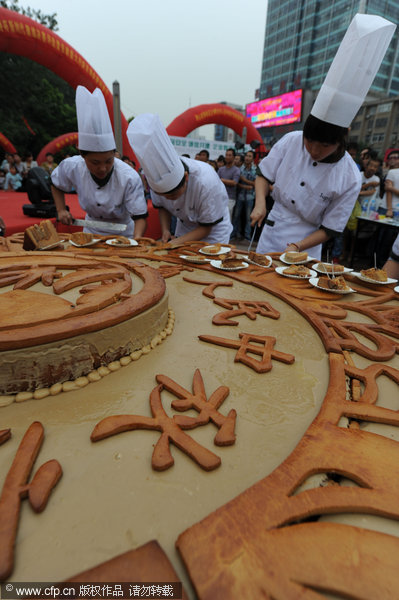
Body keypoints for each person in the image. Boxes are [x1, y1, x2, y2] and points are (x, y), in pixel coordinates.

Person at [250, 14, 394, 261]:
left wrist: (297, 246)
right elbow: (264, 175)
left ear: (342, 139)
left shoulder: (349, 175)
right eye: (310, 141)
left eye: (324, 145)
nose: (314, 150)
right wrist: (260, 203)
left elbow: (330, 228)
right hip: (272, 229)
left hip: (307, 243)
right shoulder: (291, 140)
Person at [51, 86, 148, 238]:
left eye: (109, 161)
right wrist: (61, 209)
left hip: (123, 234)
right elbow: (56, 184)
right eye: (95, 163)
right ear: (83, 156)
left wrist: (136, 240)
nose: (103, 168)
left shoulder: (129, 176)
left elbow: (140, 217)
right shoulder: (72, 166)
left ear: (115, 154)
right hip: (91, 232)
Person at [127, 113, 232, 246]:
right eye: (164, 195)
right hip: (185, 227)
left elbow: (206, 228)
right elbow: (162, 207)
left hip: (212, 232)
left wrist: (173, 244)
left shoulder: (206, 182)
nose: (170, 199)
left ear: (186, 177)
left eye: (173, 195)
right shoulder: (156, 179)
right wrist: (165, 230)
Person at [232, 150, 257, 240]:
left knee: (248, 218)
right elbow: (236, 182)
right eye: (246, 156)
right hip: (240, 195)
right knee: (236, 216)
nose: (247, 158)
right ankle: (234, 234)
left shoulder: (255, 170)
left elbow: (256, 184)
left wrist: (244, 181)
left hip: (250, 196)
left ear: (253, 158)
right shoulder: (239, 169)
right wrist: (246, 185)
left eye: (250, 156)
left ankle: (247, 237)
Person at [218, 148, 241, 219]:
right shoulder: (221, 169)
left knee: (227, 218)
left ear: (233, 157)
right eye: (226, 155)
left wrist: (221, 180)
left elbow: (234, 182)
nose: (227, 157)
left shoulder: (236, 170)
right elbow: (216, 181)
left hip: (230, 198)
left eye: (229, 155)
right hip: (220, 197)